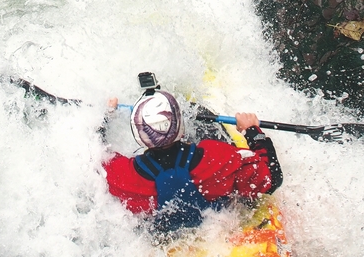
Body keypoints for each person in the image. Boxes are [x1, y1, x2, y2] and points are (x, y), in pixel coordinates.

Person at [103, 89, 283, 232]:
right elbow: (272, 178)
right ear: (181, 126)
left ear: (139, 135)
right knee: (204, 114)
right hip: (216, 223)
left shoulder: (123, 175)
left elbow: (97, 150)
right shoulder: (220, 158)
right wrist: (252, 131)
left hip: (166, 235)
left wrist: (106, 117)